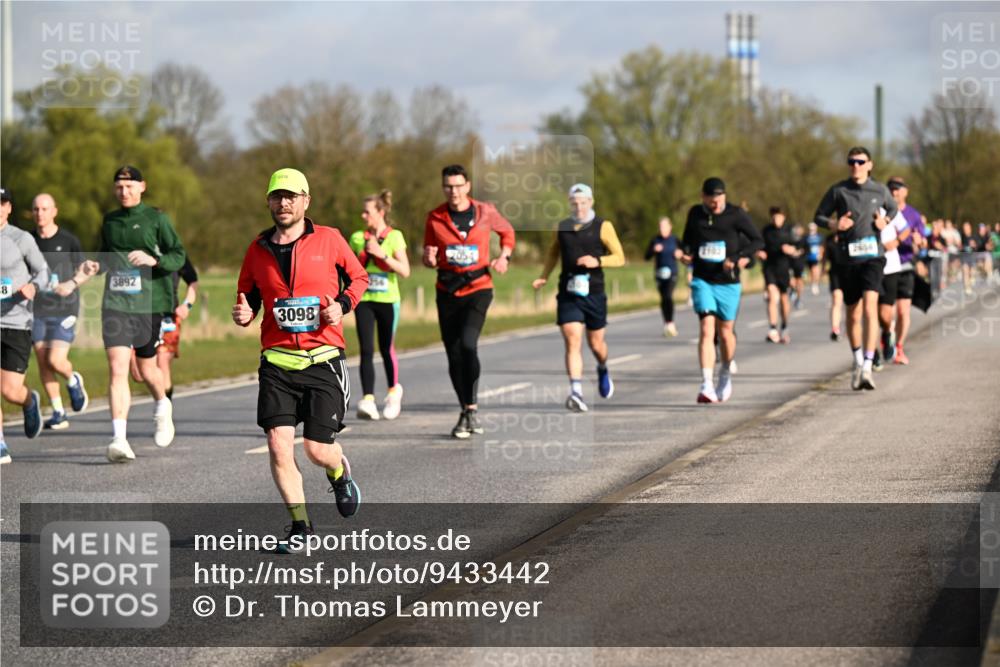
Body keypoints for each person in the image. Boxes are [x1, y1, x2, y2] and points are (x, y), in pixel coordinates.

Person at [233, 168, 368, 549]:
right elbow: (249, 297)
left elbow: (359, 279)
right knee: (279, 444)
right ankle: (301, 528)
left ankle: (339, 473)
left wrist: (341, 306)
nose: (284, 202)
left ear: (306, 201)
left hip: (323, 358)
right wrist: (245, 314)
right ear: (269, 202)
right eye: (277, 196)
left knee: (316, 449)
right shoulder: (257, 249)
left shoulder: (329, 239)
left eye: (291, 196)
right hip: (277, 363)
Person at [95, 166, 187, 462]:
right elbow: (103, 256)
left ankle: (162, 406)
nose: (124, 191)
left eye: (130, 186)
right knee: (118, 367)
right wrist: (93, 266)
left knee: (147, 369)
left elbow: (178, 255)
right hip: (116, 303)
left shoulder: (156, 219)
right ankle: (119, 438)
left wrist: (153, 259)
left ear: (142, 187)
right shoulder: (109, 221)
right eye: (119, 186)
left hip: (149, 304)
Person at [423, 164, 515, 438]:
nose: (453, 191)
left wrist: (504, 256)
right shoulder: (435, 217)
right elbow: (429, 254)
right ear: (443, 188)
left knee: (467, 344)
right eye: (448, 187)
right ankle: (465, 409)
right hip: (447, 290)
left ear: (468, 186)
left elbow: (507, 233)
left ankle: (472, 408)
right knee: (452, 353)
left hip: (478, 287)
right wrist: (428, 260)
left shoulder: (485, 212)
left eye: (458, 186)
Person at [533, 183, 625, 412]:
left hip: (594, 291)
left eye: (583, 202)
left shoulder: (603, 226)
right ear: (569, 204)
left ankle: (603, 367)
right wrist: (544, 276)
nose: (579, 207)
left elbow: (620, 257)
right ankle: (576, 392)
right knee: (572, 339)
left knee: (596, 344)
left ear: (590, 202)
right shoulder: (562, 227)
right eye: (574, 203)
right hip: (568, 291)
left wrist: (598, 261)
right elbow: (553, 252)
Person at [814, 146, 897, 391]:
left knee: (870, 308)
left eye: (861, 162)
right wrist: (833, 223)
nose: (856, 166)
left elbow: (892, 208)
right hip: (847, 259)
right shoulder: (839, 190)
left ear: (869, 165)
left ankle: (869, 366)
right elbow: (818, 216)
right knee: (853, 313)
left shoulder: (879, 189)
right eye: (852, 162)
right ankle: (858, 360)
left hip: (873, 257)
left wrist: (886, 221)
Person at [680, 177, 762, 404]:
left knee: (726, 333)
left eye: (719, 198)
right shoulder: (695, 214)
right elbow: (687, 241)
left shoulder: (736, 214)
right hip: (702, 280)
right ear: (703, 197)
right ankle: (706, 383)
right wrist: (686, 254)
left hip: (728, 282)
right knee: (707, 328)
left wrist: (737, 258)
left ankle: (724, 372)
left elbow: (757, 241)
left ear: (724, 196)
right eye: (711, 199)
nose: (715, 203)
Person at [29, 193, 92, 429]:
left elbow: (85, 270)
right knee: (43, 362)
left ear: (54, 211)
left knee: (56, 360)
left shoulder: (68, 240)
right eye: (36, 209)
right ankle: (58, 412)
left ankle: (73, 379)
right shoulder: (27, 241)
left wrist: (71, 284)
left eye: (45, 209)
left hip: (65, 308)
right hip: (37, 310)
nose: (40, 214)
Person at [348, 190, 409, 421]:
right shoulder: (356, 238)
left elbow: (405, 270)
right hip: (364, 300)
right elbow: (348, 268)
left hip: (388, 300)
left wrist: (382, 254)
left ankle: (394, 392)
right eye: (363, 212)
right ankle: (368, 399)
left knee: (386, 347)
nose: (364, 216)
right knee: (365, 349)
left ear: (381, 212)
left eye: (368, 212)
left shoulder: (395, 237)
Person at [0, 186, 49, 463]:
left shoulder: (21, 238)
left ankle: (29, 401)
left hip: (17, 322)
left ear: (8, 208)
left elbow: (43, 271)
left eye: (1, 203)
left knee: (9, 391)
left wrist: (33, 287)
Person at [885, 177, 922, 365]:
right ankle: (887, 339)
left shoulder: (914, 215)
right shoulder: (883, 211)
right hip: (885, 266)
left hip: (906, 265)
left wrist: (918, 240)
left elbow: (922, 239)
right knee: (887, 312)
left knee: (902, 312)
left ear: (905, 191)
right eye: (891, 188)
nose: (894, 192)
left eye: (898, 189)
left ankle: (899, 347)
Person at [874, 205, 910, 371]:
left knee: (884, 314)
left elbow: (905, 229)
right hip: (868, 266)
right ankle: (872, 354)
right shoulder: (860, 207)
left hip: (890, 267)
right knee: (870, 312)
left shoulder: (889, 209)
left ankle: (888, 331)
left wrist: (895, 242)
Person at [758, 206, 797, 344]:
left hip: (785, 268)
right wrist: (760, 253)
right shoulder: (766, 231)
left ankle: (785, 326)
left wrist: (791, 250)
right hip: (770, 267)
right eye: (774, 217)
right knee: (771, 296)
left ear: (783, 217)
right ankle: (773, 328)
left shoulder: (789, 231)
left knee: (784, 299)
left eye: (779, 217)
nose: (776, 219)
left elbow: (798, 250)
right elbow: (759, 246)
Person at [645, 216, 683, 337]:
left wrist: (680, 254)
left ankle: (670, 323)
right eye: (660, 227)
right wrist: (653, 250)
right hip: (659, 274)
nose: (662, 229)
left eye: (665, 226)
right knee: (663, 299)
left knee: (668, 296)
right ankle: (667, 323)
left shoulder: (675, 240)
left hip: (672, 272)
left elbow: (687, 253)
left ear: (670, 227)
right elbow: (646, 256)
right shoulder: (655, 240)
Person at [823, 231, 845, 341]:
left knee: (852, 303)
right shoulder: (829, 239)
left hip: (850, 271)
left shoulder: (850, 234)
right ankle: (835, 329)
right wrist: (823, 268)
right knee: (837, 299)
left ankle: (852, 326)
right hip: (835, 272)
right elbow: (825, 255)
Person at [789, 223, 807, 308]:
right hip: (789, 263)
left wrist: (799, 252)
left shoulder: (804, 239)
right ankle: (792, 290)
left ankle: (799, 299)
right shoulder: (789, 239)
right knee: (791, 280)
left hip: (800, 263)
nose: (797, 231)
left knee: (799, 281)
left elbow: (807, 250)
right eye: (796, 229)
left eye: (799, 229)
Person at [805, 222, 824, 295]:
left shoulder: (819, 236)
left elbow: (821, 246)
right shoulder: (806, 237)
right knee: (812, 271)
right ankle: (813, 283)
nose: (812, 230)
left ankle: (815, 284)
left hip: (816, 256)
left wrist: (820, 254)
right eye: (810, 229)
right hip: (809, 257)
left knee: (816, 271)